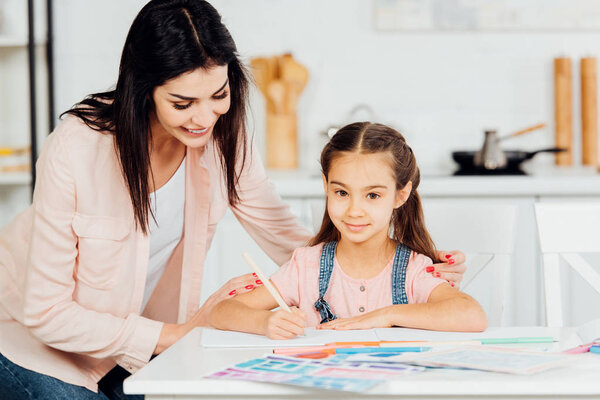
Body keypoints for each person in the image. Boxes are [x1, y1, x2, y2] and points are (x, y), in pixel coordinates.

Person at [0, 1, 467, 399]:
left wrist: (389, 271)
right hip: (29, 341)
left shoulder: (224, 133)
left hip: (136, 347)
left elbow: (282, 231)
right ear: (143, 90)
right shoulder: (79, 146)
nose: (204, 118)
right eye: (182, 103)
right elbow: (46, 311)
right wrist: (174, 336)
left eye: (218, 94)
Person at [209, 122, 487, 339]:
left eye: (373, 196)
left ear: (400, 195)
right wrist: (266, 322)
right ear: (325, 185)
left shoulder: (413, 269)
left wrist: (386, 315)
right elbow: (223, 312)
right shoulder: (306, 267)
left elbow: (472, 315)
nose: (354, 210)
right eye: (341, 192)